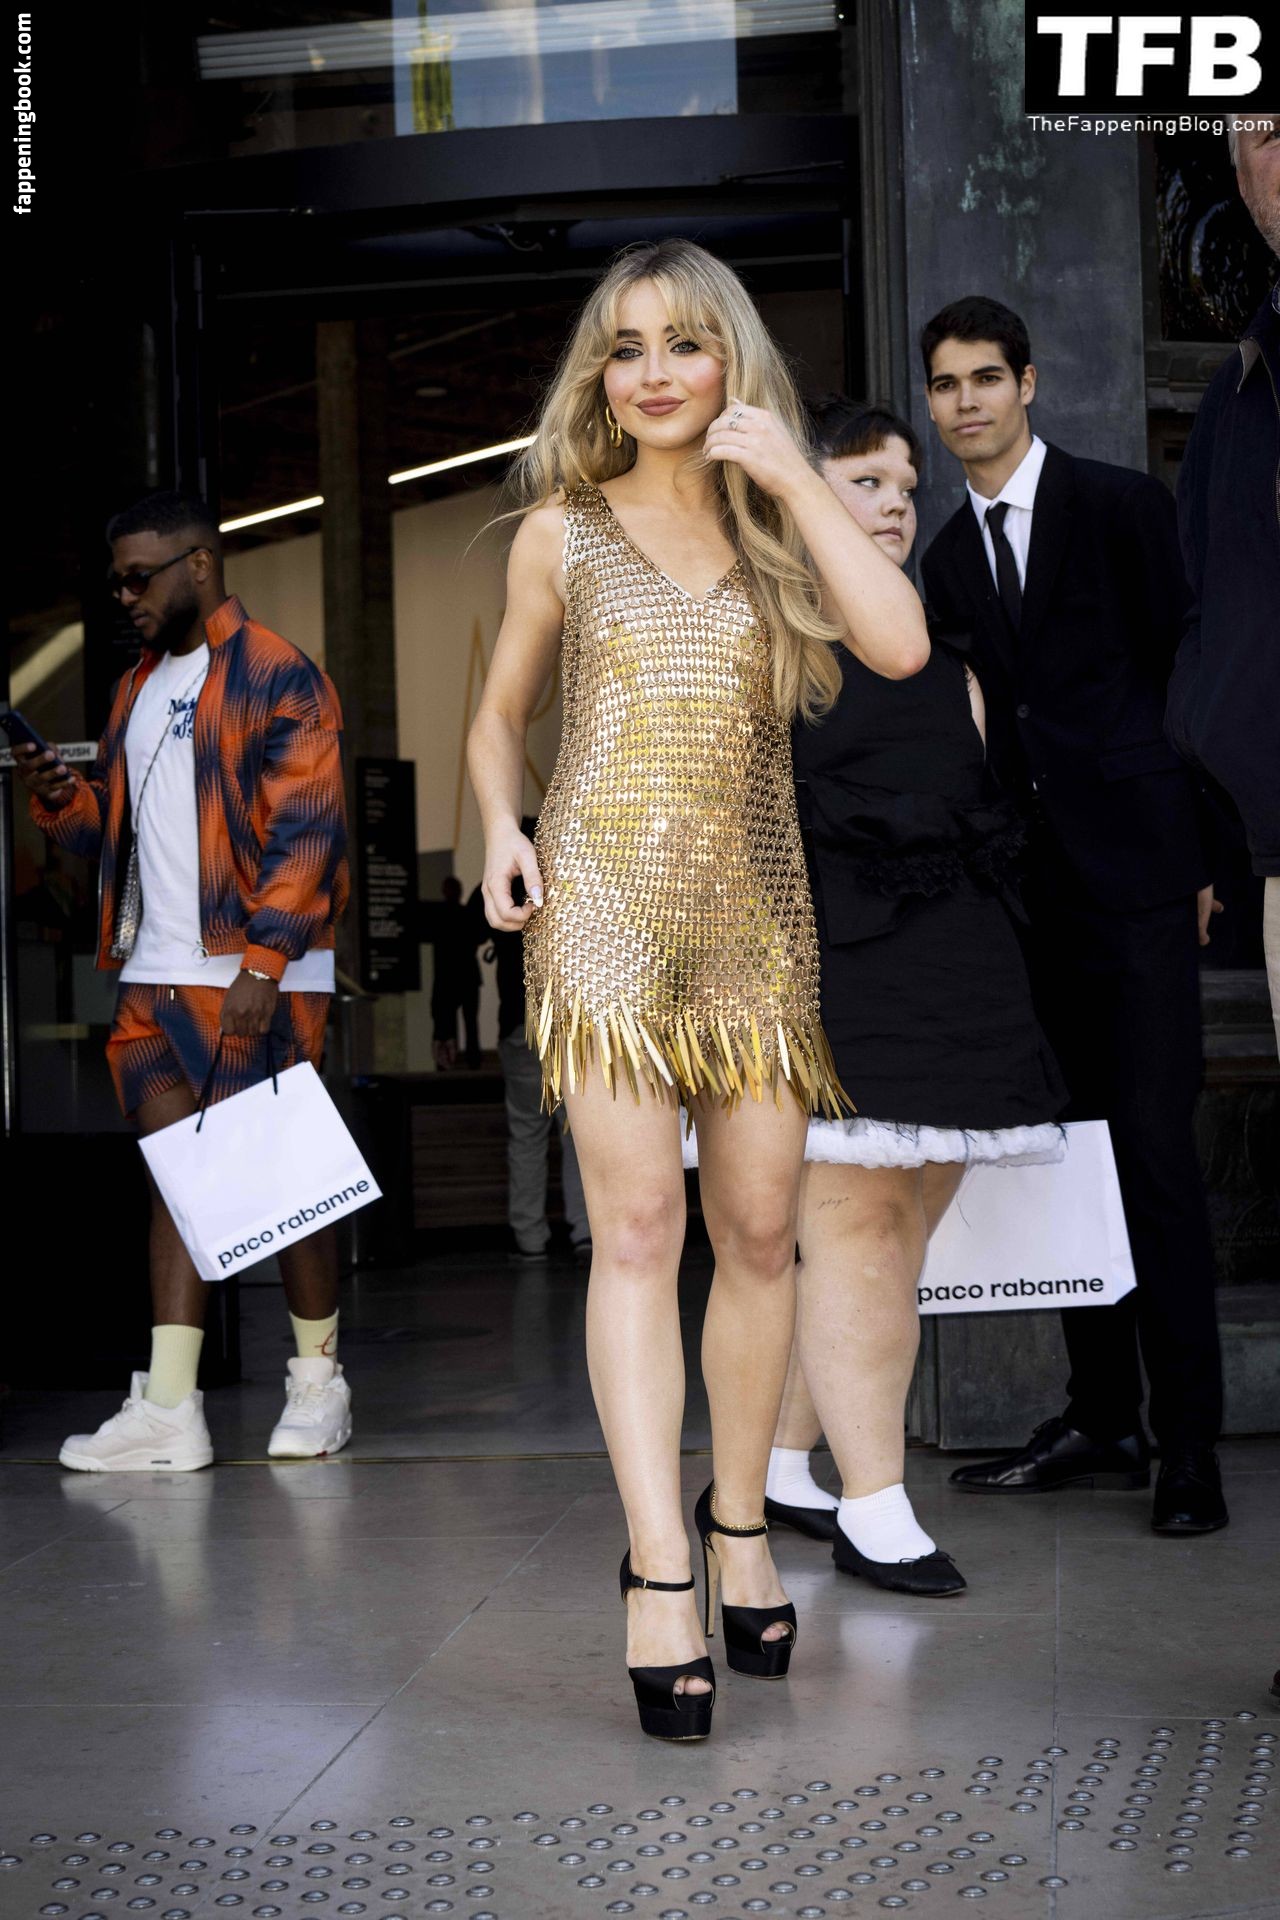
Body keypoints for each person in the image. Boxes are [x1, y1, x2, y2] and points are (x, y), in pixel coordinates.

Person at [467, 238, 929, 1738]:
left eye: (683, 342)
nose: (653, 372)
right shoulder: (559, 530)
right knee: (635, 1232)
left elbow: (902, 645)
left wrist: (792, 472)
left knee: (757, 1235)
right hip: (598, 908)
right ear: (598, 374)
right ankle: (658, 1566)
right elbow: (499, 717)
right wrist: (500, 827)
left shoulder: (779, 520)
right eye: (625, 346)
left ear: (732, 359)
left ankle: (739, 1527)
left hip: (754, 915)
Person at [918, 297, 1227, 1535]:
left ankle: (1187, 1444)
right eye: (945, 385)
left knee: (1153, 1160)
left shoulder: (1118, 507)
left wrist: (1202, 856)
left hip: (1141, 885)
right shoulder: (944, 559)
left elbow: (1183, 675)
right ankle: (1101, 1415)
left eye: (984, 379)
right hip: (1027, 906)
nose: (965, 403)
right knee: (1067, 1163)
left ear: (1027, 384)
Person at [749, 398, 1065, 1596]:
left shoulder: (949, 660)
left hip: (959, 973)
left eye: (902, 486)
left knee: (893, 1232)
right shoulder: (764, 644)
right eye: (862, 482)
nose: (891, 504)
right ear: (800, 496)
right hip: (838, 971)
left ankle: (782, 1461)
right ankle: (874, 1505)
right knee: (861, 1231)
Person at [16, 491, 353, 1470]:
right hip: (153, 973)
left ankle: (319, 1384)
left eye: (139, 577)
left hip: (251, 974)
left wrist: (263, 961)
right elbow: (121, 836)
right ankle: (169, 1408)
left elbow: (309, 829)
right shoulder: (136, 688)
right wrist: (65, 802)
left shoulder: (277, 673)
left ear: (199, 565)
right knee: (179, 1179)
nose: (124, 596)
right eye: (116, 580)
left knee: (287, 1180)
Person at [1167, 113, 1280, 1052]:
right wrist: (1210, 729)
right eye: (1272, 134)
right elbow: (1205, 603)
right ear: (1242, 175)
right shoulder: (1235, 396)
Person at [483, 832, 591, 1263]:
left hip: (520, 1022)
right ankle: (585, 1232)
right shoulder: (574, 880)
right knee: (579, 1132)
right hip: (569, 1020)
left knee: (527, 1133)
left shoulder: (502, 881)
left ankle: (529, 1237)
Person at [428, 874, 482, 1069]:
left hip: (447, 977)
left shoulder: (437, 917)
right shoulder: (466, 914)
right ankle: (473, 1060)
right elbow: (478, 938)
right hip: (467, 975)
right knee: (469, 1022)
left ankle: (447, 1063)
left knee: (446, 1022)